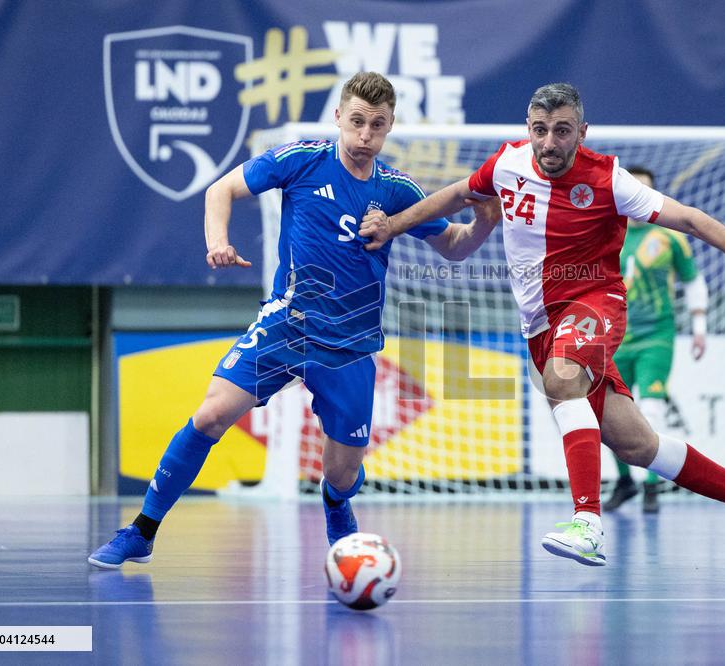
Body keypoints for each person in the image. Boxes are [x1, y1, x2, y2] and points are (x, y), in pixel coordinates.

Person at [359, 82, 725, 569]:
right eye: (540, 130)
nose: (549, 143)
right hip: (540, 327)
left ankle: (587, 523)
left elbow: (688, 218)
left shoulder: (609, 180)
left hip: (594, 303)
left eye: (562, 131)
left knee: (563, 379)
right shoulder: (507, 164)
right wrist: (393, 225)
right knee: (638, 446)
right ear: (528, 129)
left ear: (581, 132)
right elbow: (458, 195)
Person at [89, 72, 500, 568]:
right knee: (211, 414)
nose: (365, 134)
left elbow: (454, 247)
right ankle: (143, 530)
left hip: (350, 345)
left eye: (376, 124)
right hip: (288, 325)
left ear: (389, 127)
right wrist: (217, 242)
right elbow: (219, 191)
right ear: (338, 119)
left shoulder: (396, 191)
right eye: (356, 122)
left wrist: (482, 223)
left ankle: (335, 501)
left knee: (343, 472)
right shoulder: (302, 160)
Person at [604, 166, 708, 514]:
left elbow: (693, 281)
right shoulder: (606, 233)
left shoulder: (670, 237)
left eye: (644, 190)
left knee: (650, 408)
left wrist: (699, 327)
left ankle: (652, 485)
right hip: (614, 337)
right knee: (606, 413)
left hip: (656, 336)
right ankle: (624, 482)